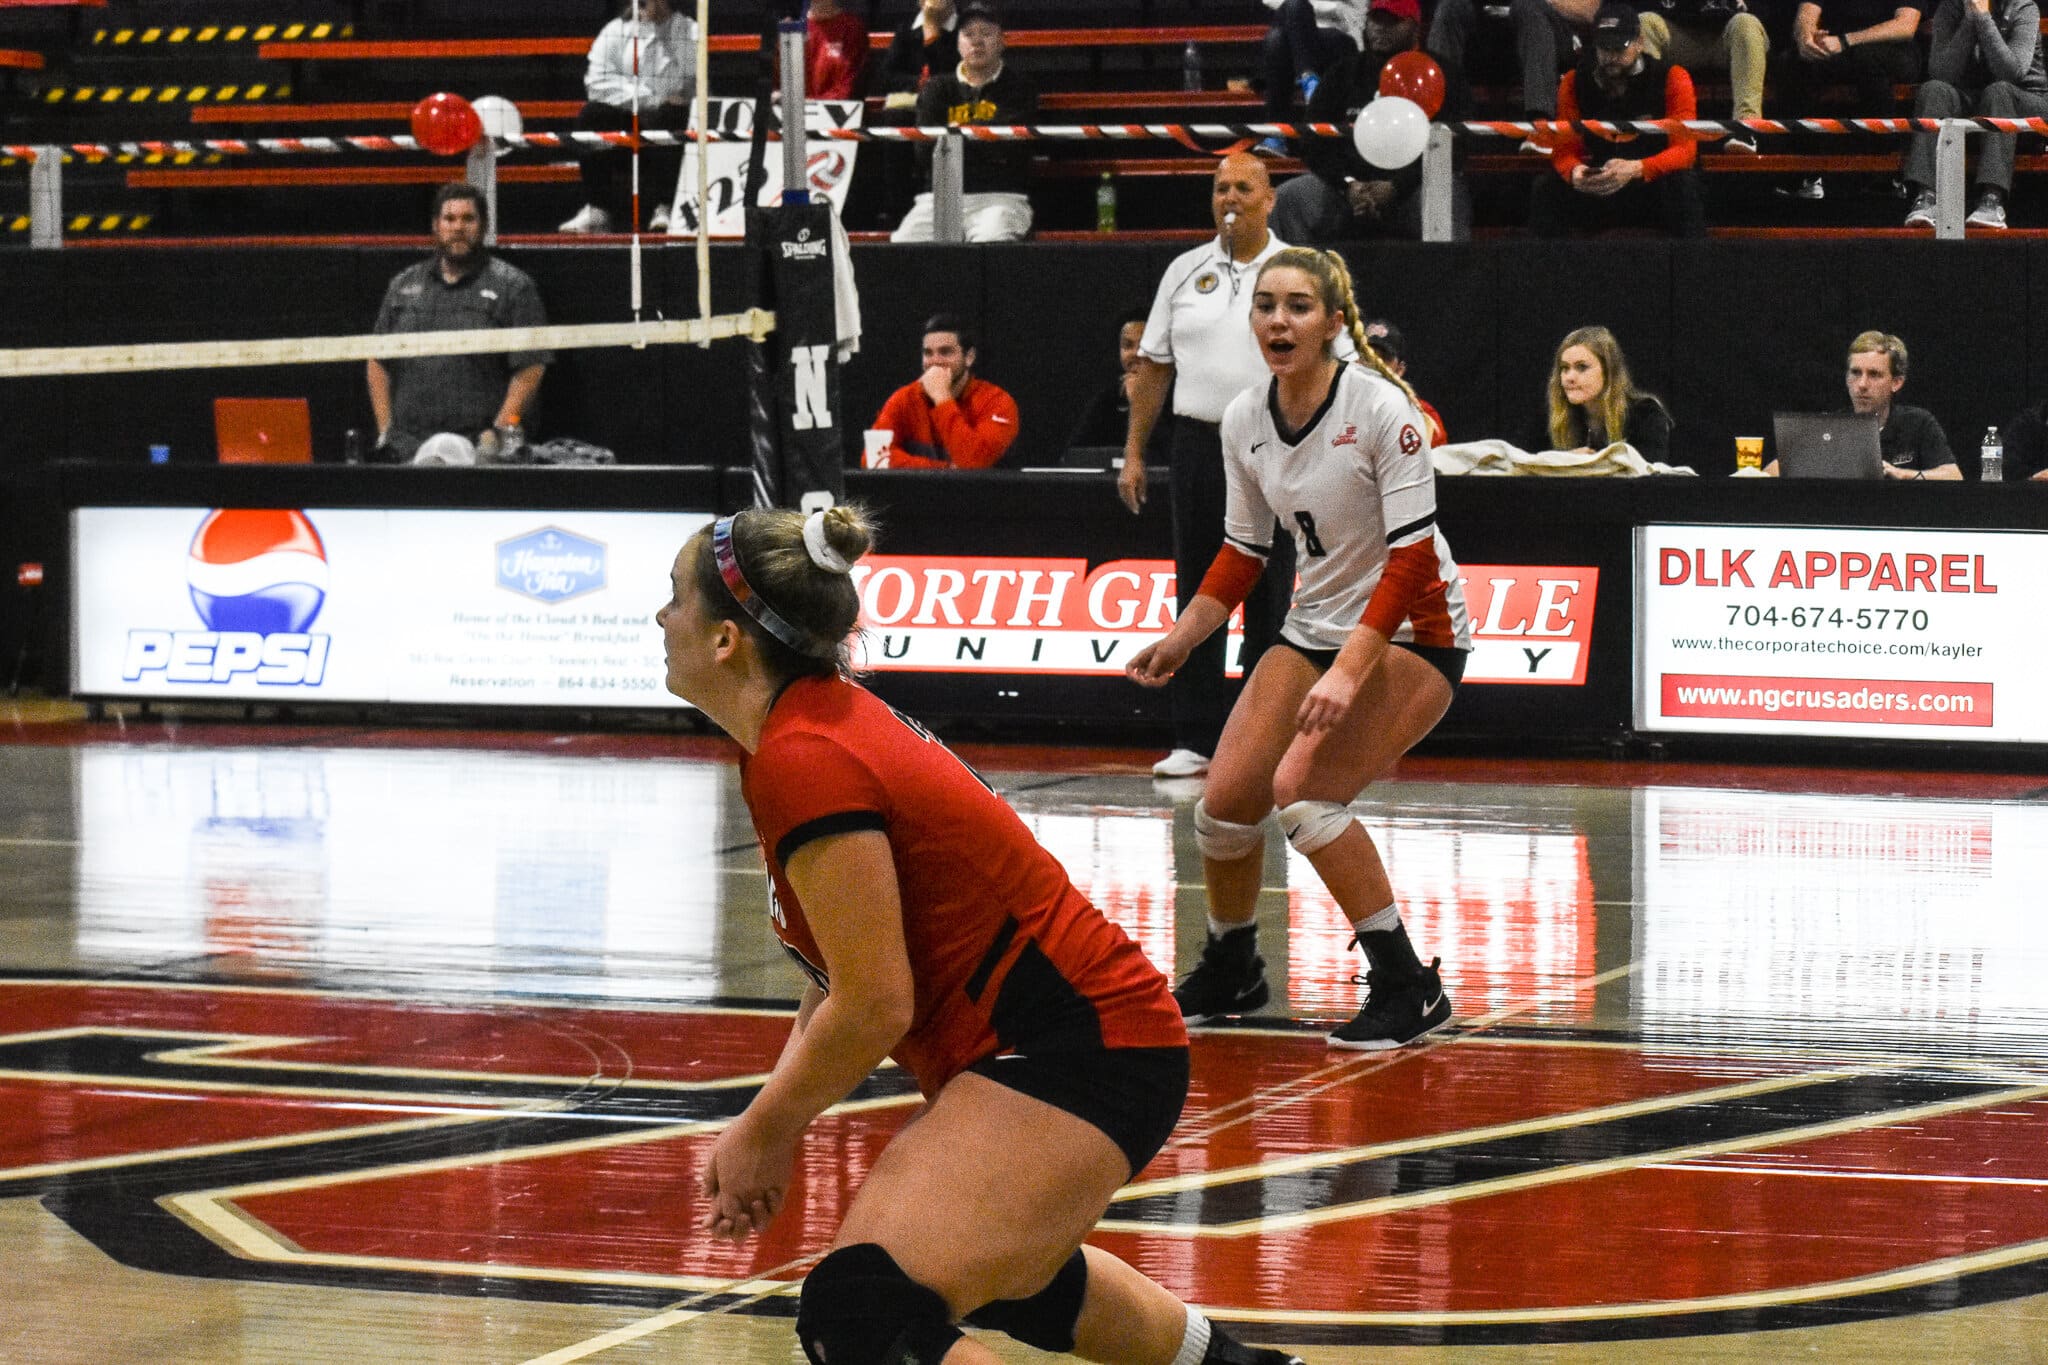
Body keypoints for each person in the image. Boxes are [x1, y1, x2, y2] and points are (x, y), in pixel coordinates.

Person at [665, 505, 1305, 1365]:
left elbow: (877, 1001)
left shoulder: (804, 756)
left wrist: (764, 1128)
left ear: (724, 642)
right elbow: (834, 968)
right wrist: (781, 1110)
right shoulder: (799, 730)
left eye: (674, 599)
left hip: (1079, 1045)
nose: (661, 619)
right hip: (1076, 1038)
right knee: (1017, 1274)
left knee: (862, 1315)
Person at [1126, 248, 1471, 1048]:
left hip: (1417, 630)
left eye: (1299, 306)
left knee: (1305, 795)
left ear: (1333, 325)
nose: (1278, 320)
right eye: (1267, 305)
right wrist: (1182, 637)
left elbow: (1412, 555)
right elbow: (1244, 552)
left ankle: (1408, 985)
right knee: (1224, 803)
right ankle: (1234, 965)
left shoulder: (1385, 410)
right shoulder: (1245, 417)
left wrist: (1352, 670)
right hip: (1314, 623)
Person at [1124, 153, 1303, 780]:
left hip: (1273, 445)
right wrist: (1136, 451)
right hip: (1197, 446)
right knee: (1198, 587)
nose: (1231, 197)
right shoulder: (1183, 270)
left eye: (1243, 188)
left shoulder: (1296, 272)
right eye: (1220, 187)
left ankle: (1262, 737)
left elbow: (1327, 367)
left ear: (1269, 200)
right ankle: (1195, 739)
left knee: (1270, 595)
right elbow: (1154, 368)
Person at [369, 183, 550, 465]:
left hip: (480, 450)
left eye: (468, 219)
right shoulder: (403, 285)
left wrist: (501, 431)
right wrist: (385, 431)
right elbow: (377, 360)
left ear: (484, 225)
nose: (458, 227)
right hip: (408, 450)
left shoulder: (514, 287)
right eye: (449, 219)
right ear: (435, 226)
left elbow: (531, 366)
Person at [1273, 0, 1476, 242]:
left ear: (1415, 26)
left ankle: (1452, 278)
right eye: (1375, 19)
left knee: (1446, 197)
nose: (1380, 28)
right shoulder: (1343, 73)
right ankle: (1293, 278)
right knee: (1288, 198)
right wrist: (1347, 185)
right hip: (1348, 189)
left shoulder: (1443, 74)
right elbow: (1312, 141)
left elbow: (1457, 146)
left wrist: (1396, 187)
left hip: (1416, 187)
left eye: (1393, 21)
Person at [1529, 3, 1706, 238]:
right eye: (1604, 48)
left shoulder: (1672, 77)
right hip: (1603, 182)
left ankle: (1691, 268)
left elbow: (1685, 152)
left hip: (1651, 182)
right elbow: (1564, 149)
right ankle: (1551, 271)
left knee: (1684, 184)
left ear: (1639, 43)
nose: (1611, 56)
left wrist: (1636, 169)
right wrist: (1576, 173)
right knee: (1546, 189)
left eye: (1620, 48)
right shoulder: (1574, 82)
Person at [892, 3, 1038, 243]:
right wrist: (984, 141)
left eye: (986, 33)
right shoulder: (936, 88)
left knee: (993, 241)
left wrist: (953, 140)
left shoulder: (1019, 87)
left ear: (1003, 41)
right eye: (969, 34)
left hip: (1001, 197)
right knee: (904, 243)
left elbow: (1012, 150)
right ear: (958, 43)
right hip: (938, 198)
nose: (976, 41)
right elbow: (924, 153)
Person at [1900, 0, 2047, 230]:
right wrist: (1970, 20)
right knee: (1933, 89)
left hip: (2025, 103)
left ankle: (1992, 200)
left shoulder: (2023, 7)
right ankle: (1927, 197)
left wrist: (1983, 19)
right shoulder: (1950, 9)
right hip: (1974, 101)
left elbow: (2011, 72)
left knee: (1999, 91)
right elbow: (1941, 72)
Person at [559, 0, 698, 235]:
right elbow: (597, 84)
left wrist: (662, 27)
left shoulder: (689, 31)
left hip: (668, 137)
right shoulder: (615, 30)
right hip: (626, 133)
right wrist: (649, 100)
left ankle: (666, 207)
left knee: (672, 114)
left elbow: (686, 87)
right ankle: (598, 210)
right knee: (591, 115)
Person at [1775, 0, 1929, 199]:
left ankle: (1883, 173)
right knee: (1793, 61)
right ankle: (1804, 171)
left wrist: (1845, 40)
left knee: (1868, 59)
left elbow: (1904, 26)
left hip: (1894, 48)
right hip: (1839, 46)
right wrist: (1806, 39)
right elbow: (1806, 14)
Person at [1769, 331, 1957, 478]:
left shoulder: (1918, 423)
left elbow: (1953, 475)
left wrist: (1902, 474)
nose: (1862, 385)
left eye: (1874, 374)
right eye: (1856, 373)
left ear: (1896, 382)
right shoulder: (1833, 427)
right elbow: (1776, 469)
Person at [869, 314, 1021, 468]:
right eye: (928, 353)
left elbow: (973, 463)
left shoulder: (997, 402)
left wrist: (941, 398)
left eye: (945, 352)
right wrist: (943, 468)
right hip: (919, 491)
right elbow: (873, 458)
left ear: (969, 357)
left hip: (982, 492)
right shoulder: (904, 398)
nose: (935, 361)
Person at [1428, 0, 1597, 120]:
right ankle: (1439, 116)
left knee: (1527, 6)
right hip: (1489, 41)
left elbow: (1592, 11)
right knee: (1449, 6)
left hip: (1547, 41)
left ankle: (1540, 122)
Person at [1637, 0, 1771, 151]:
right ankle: (1643, 122)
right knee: (1645, 21)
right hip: (1682, 37)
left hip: (1729, 38)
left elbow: (1769, 14)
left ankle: (1746, 127)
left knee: (1747, 23)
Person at [1542, 325, 1674, 461]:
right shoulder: (1557, 417)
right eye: (1564, 368)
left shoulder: (1646, 414)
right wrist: (1564, 460)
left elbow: (1650, 476)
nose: (1569, 377)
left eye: (1582, 367)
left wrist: (1586, 463)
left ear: (1608, 372)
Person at [1257, 0, 1369, 154]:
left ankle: (1276, 134)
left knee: (1276, 40)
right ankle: (1309, 80)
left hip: (1338, 37)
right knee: (1294, 8)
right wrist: (1331, 7)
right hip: (1292, 31)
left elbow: (1356, 12)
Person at [1067, 307, 1172, 458]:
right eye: (1128, 346)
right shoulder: (1108, 398)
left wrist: (1141, 404)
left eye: (1144, 345)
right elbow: (1075, 454)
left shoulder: (1178, 397)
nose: (1136, 353)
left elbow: (1177, 456)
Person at [1363, 318, 1448, 445]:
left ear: (1399, 370)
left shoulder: (1423, 416)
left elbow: (1440, 462)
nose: (1375, 364)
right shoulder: (1336, 407)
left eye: (1384, 359)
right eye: (1367, 356)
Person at [877, 0, 962, 98]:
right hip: (910, 104)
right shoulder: (906, 29)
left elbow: (969, 75)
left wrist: (934, 28)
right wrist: (917, 82)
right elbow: (885, 78)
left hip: (952, 103)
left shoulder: (965, 28)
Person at [806, 0, 870, 99]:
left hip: (837, 110)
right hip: (793, 111)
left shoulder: (852, 28)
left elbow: (851, 85)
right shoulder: (791, 29)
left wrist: (812, 104)